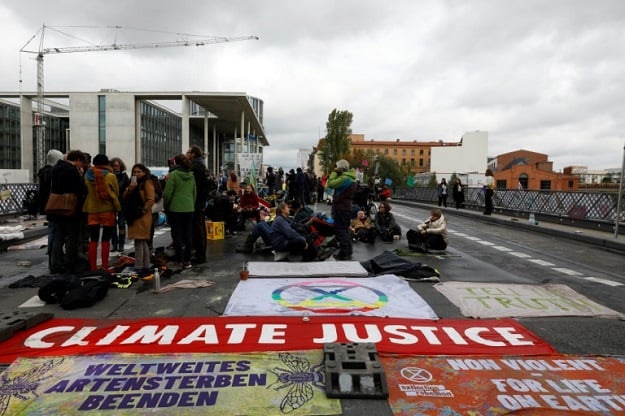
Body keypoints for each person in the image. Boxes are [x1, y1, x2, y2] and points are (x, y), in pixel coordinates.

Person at [48, 150, 87, 274]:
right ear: (78, 160)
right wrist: (80, 177)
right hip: (71, 208)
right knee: (71, 237)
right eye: (81, 163)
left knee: (58, 237)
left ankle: (56, 264)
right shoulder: (72, 170)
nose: (81, 166)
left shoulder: (55, 169)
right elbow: (79, 189)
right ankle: (69, 263)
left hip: (56, 207)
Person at [82, 154, 121, 271]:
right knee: (106, 239)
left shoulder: (87, 175)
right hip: (107, 209)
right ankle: (104, 266)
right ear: (106, 164)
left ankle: (93, 267)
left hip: (92, 210)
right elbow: (116, 192)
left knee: (93, 239)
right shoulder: (110, 176)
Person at [163, 154, 196, 269]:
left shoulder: (173, 175)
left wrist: (166, 206)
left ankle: (179, 259)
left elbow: (167, 194)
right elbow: (194, 193)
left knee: (177, 234)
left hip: (175, 208)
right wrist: (191, 204)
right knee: (188, 234)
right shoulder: (191, 176)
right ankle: (187, 260)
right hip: (189, 208)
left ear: (175, 163)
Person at [123, 164, 154, 274]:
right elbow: (124, 197)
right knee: (141, 240)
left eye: (139, 171)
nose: (136, 174)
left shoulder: (146, 182)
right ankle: (145, 265)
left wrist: (143, 210)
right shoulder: (133, 184)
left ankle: (139, 266)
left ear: (144, 172)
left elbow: (151, 199)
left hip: (142, 215)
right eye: (134, 172)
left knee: (139, 240)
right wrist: (130, 189)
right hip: (134, 214)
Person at [325, 159, 357, 260]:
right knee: (345, 230)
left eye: (337, 166)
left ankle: (344, 252)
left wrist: (334, 173)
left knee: (340, 230)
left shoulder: (345, 179)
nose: (335, 168)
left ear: (341, 168)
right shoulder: (351, 178)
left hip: (340, 207)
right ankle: (348, 250)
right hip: (346, 207)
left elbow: (331, 184)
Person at [37, 149, 64, 265]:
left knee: (51, 230)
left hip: (47, 205)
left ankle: (50, 253)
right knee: (56, 230)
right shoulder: (55, 171)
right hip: (56, 204)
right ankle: (55, 256)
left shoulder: (43, 172)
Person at [186, 145, 209, 263]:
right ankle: (200, 252)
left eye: (188, 152)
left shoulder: (195, 166)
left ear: (193, 154)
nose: (186, 154)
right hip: (200, 200)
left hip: (196, 200)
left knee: (197, 227)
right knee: (199, 227)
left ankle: (200, 254)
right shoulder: (201, 164)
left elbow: (194, 185)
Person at [110, 157, 130, 253]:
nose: (115, 167)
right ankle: (114, 243)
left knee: (121, 224)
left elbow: (125, 189)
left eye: (117, 166)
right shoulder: (110, 176)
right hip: (111, 204)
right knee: (112, 225)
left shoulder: (124, 176)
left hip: (122, 203)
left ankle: (121, 244)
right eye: (113, 166)